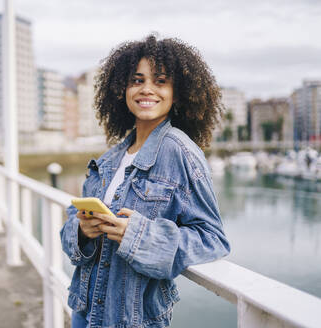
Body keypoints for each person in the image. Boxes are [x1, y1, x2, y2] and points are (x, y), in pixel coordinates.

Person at [60, 35, 230, 328]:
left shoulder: (180, 152)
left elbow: (212, 239)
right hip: (84, 311)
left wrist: (139, 236)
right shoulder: (111, 158)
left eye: (160, 81)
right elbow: (69, 231)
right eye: (136, 81)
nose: (147, 89)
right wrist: (83, 231)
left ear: (177, 93)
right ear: (122, 90)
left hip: (132, 320)